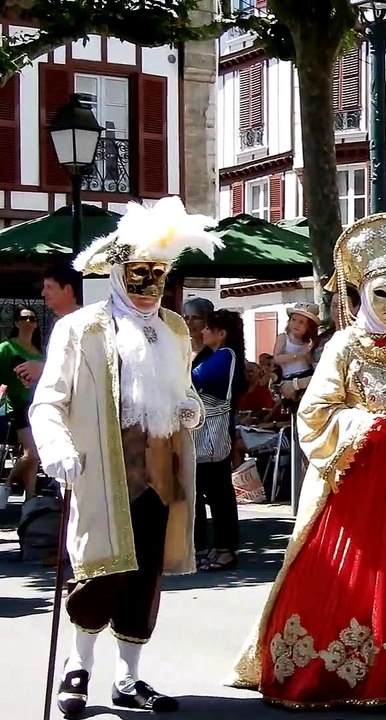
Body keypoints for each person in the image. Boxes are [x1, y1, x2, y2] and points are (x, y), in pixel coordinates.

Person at [229, 213, 386, 709]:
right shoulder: (344, 346)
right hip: (356, 480)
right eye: (379, 294)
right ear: (362, 294)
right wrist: (361, 425)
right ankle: (331, 668)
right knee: (344, 571)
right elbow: (315, 413)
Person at [30, 197, 216, 716]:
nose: (147, 286)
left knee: (145, 576)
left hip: (161, 471)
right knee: (99, 571)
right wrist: (57, 447)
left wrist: (189, 410)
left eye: (157, 275)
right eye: (137, 274)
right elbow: (49, 399)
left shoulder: (177, 330)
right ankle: (78, 667)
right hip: (103, 470)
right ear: (116, 271)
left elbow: (184, 394)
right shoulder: (80, 328)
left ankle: (129, 679)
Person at [192, 309, 248, 572]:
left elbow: (195, 380)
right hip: (210, 433)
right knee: (214, 491)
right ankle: (217, 546)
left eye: (207, 328)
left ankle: (225, 549)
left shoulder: (225, 356)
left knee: (218, 493)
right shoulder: (217, 355)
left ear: (221, 334)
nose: (202, 331)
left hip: (212, 435)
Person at [12, 263, 81, 388]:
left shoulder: (85, 324)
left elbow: (82, 370)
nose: (43, 293)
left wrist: (42, 370)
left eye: (49, 287)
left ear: (67, 290)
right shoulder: (57, 323)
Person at [1, 306, 43, 498]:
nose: (28, 322)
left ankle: (31, 499)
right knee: (32, 454)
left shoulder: (38, 351)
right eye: (24, 318)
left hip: (39, 407)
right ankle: (7, 484)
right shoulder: (6, 348)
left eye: (32, 319)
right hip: (18, 407)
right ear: (16, 322)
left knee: (33, 457)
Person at [273, 302, 318, 381]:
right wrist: (299, 355)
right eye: (294, 320)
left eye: (301, 322)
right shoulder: (283, 338)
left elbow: (310, 360)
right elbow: (276, 359)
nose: (296, 324)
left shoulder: (307, 342)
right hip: (289, 377)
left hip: (306, 374)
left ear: (309, 327)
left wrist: (310, 358)